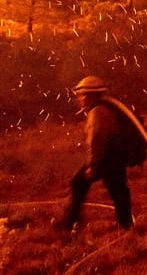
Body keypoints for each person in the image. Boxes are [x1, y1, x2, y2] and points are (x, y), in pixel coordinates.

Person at [56, 75, 134, 231]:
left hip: (106, 159)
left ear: (90, 95)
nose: (79, 99)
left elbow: (96, 139)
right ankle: (126, 225)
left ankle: (69, 223)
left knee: (78, 183)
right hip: (115, 158)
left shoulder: (97, 112)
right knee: (119, 191)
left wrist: (92, 165)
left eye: (81, 95)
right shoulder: (105, 109)